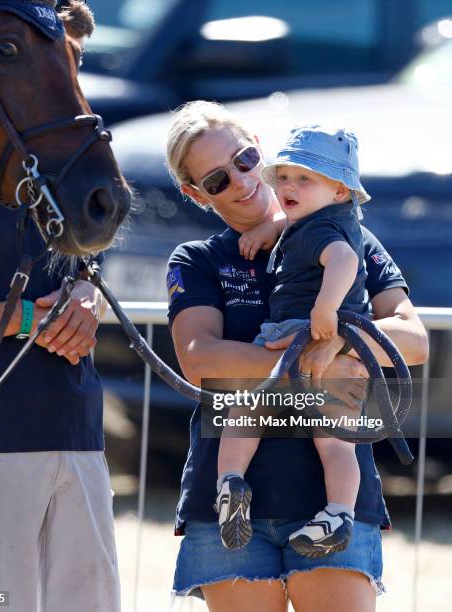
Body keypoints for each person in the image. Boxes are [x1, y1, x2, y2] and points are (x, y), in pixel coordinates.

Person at [165, 101, 428, 612]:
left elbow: (413, 340)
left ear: (260, 151)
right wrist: (311, 360)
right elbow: (199, 359)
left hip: (334, 498)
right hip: (229, 502)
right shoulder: (198, 260)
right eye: (217, 180)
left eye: (243, 160)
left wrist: (340, 342)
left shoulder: (348, 235)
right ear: (194, 194)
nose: (241, 182)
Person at [0, 7, 121, 612]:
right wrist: (23, 321)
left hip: (77, 443)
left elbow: (77, 275)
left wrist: (87, 298)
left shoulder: (41, 175)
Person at [215, 125, 373, 556]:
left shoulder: (318, 232)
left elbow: (341, 259)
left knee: (245, 411)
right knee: (336, 440)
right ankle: (338, 513)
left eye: (305, 178)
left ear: (340, 190)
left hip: (296, 332)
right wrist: (273, 227)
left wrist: (325, 308)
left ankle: (229, 482)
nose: (288, 186)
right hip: (342, 346)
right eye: (283, 176)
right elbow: (311, 226)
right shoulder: (329, 219)